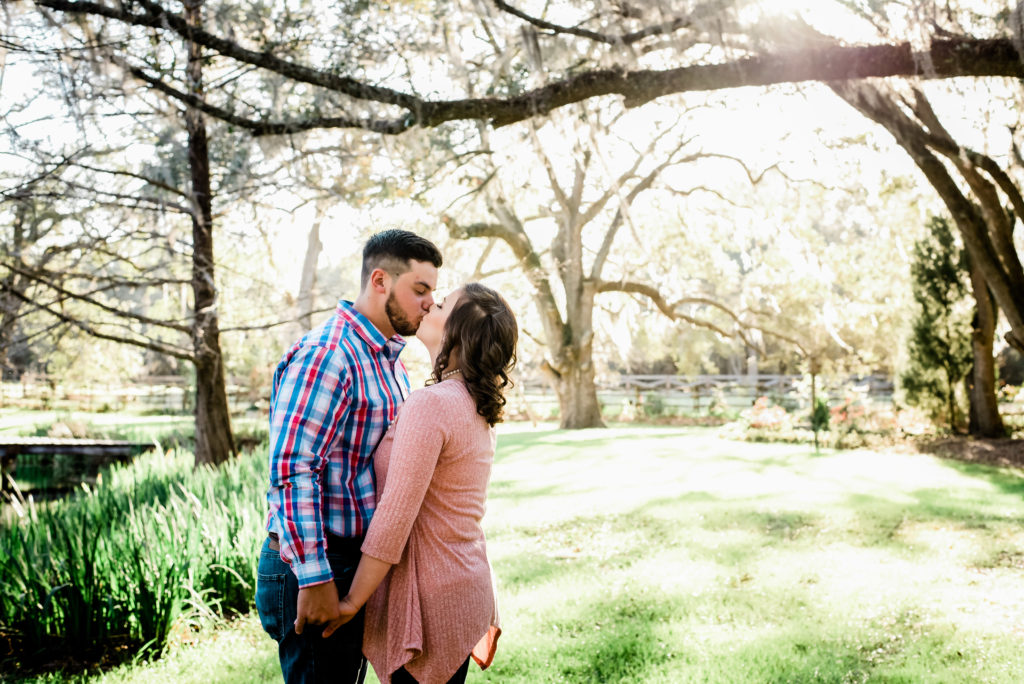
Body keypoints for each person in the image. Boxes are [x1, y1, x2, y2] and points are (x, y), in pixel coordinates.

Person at [256, 229, 443, 684]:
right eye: (420, 290)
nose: (428, 304)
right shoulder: (329, 355)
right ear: (380, 281)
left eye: (432, 294)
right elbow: (294, 469)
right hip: (316, 566)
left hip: (351, 566)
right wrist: (315, 578)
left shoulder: (388, 362)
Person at [322, 283, 518, 684]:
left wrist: (352, 601)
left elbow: (395, 516)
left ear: (460, 333)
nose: (429, 303)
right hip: (462, 585)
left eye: (442, 303)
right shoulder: (470, 402)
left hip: (432, 601)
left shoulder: (433, 403)